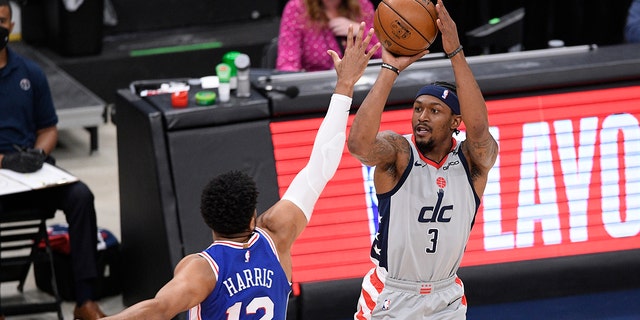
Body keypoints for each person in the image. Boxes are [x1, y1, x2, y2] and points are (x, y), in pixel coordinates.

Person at [101, 22, 381, 320]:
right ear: (252, 214)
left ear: (207, 220)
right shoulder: (278, 235)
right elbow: (321, 165)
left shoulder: (202, 268)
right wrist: (345, 85)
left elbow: (158, 309)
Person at [347, 1, 499, 319]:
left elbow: (480, 129)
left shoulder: (472, 162)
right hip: (392, 294)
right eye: (418, 108)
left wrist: (455, 51)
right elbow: (359, 145)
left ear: (455, 121)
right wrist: (389, 68)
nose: (422, 117)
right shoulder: (399, 153)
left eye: (434, 110)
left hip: (447, 296)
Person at [0, 1, 106, 319]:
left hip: (28, 172)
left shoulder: (30, 74)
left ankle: (85, 300)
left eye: (3, 20)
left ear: (12, 26)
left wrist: (39, 154)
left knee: (80, 195)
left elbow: (48, 128)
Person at [276, 0, 381, 72]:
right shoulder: (297, 8)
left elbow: (385, 53)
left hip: (360, 84)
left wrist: (361, 31)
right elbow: (287, 65)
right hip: (317, 89)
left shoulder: (362, 5)